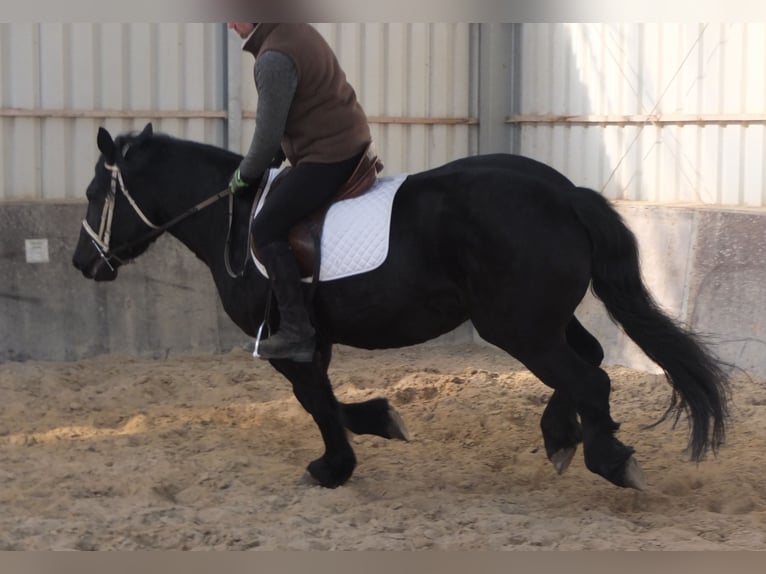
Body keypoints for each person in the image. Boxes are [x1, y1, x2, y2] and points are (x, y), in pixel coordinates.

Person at [227, 23, 373, 362]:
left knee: (264, 229)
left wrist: (242, 176)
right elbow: (298, 113)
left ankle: (297, 330)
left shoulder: (274, 57)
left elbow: (265, 140)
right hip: (344, 141)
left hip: (329, 155)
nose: (231, 24)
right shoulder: (295, 30)